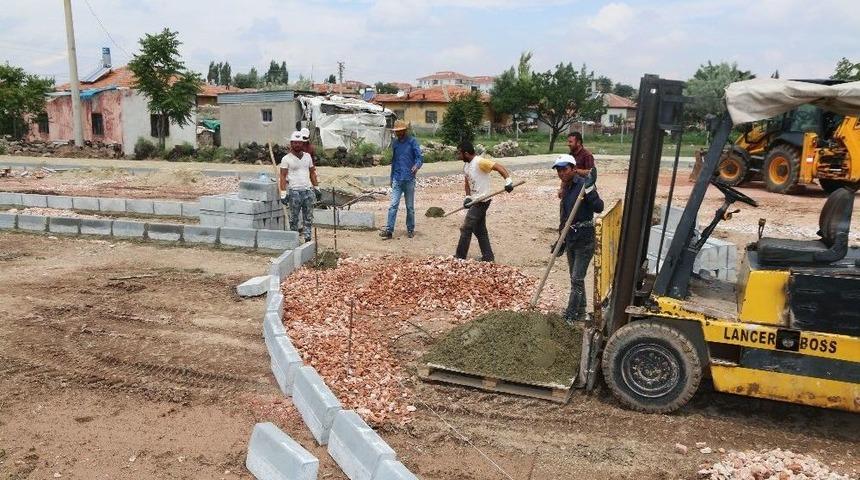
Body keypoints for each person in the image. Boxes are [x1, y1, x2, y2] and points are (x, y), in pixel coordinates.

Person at [552, 154, 604, 323]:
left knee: (576, 279)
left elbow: (599, 207)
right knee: (575, 278)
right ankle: (581, 312)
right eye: (559, 170)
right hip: (571, 238)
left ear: (573, 169)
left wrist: (590, 190)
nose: (561, 173)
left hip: (585, 239)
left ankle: (571, 315)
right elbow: (565, 217)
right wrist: (561, 239)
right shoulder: (566, 188)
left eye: (564, 169)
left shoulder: (583, 185)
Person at [455, 141, 514, 262]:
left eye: (459, 153)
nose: (458, 156)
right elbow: (467, 183)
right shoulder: (466, 166)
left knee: (466, 228)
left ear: (466, 153)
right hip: (474, 200)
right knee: (480, 230)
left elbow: (499, 167)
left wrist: (508, 181)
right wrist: (467, 197)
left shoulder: (480, 162)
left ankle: (460, 257)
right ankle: (488, 257)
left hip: (482, 201)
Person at [380, 120, 423, 239]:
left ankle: (410, 229)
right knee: (393, 205)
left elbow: (419, 158)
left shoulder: (412, 142)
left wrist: (416, 166)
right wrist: (391, 177)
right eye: (396, 132)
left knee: (410, 207)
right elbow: (394, 161)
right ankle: (389, 230)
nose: (397, 133)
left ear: (404, 131)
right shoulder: (395, 143)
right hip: (397, 178)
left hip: (409, 179)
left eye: (399, 131)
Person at [280, 131, 321, 243]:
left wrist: (316, 188)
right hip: (294, 192)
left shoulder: (307, 157)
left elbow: (312, 173)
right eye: (295, 143)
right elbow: (282, 176)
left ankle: (307, 238)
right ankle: (294, 240)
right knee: (294, 218)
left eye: (299, 143)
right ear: (291, 143)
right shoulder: (286, 159)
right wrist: (283, 193)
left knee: (308, 217)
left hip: (308, 191)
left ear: (302, 144)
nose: (297, 145)